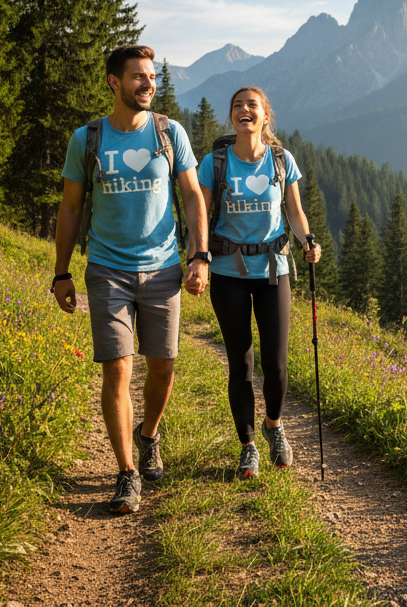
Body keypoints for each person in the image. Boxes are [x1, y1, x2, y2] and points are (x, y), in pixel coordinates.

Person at [52, 45, 211, 514]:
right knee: (118, 368)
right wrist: (61, 272)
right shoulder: (88, 139)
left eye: (152, 78)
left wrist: (199, 256)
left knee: (162, 366)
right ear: (114, 83)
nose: (148, 84)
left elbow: (193, 195)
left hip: (163, 268)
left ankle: (149, 435)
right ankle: (126, 473)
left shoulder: (170, 132)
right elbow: (71, 207)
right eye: (138, 77)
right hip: (107, 270)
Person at [198, 86, 321, 479]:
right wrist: (197, 258)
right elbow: (199, 217)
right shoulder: (214, 163)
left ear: (265, 117)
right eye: (237, 105)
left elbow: (296, 213)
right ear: (232, 117)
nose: (244, 110)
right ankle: (248, 446)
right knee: (241, 364)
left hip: (273, 271)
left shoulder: (282, 160)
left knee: (277, 366)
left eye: (252, 105)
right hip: (227, 274)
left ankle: (274, 424)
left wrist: (308, 241)